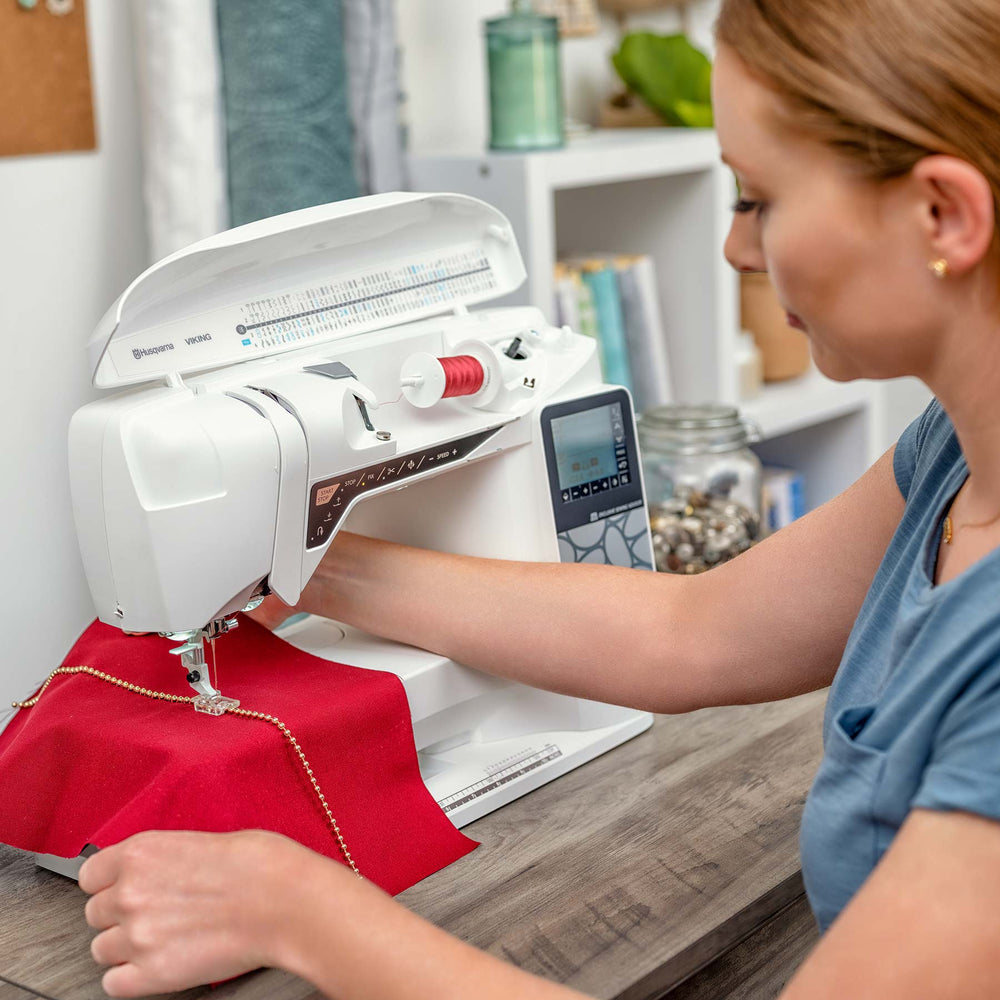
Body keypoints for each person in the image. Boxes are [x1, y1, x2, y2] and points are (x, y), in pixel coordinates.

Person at [78, 0, 1000, 995]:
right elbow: (692, 629)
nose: (735, 245)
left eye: (757, 197)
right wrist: (301, 560)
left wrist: (294, 910)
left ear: (942, 215)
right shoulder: (952, 455)